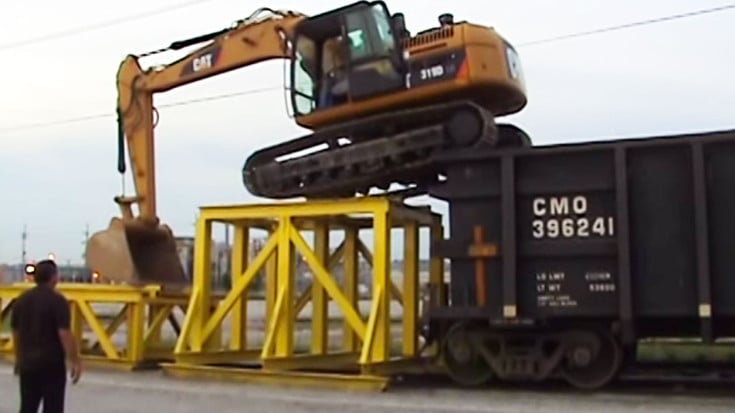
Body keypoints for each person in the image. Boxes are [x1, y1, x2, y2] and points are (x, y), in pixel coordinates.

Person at [11, 259, 82, 413]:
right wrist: (75, 360)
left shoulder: (21, 300)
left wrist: (18, 358)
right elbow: (64, 333)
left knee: (27, 407)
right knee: (53, 408)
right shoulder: (58, 301)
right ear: (54, 278)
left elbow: (16, 334)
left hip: (28, 363)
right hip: (52, 365)